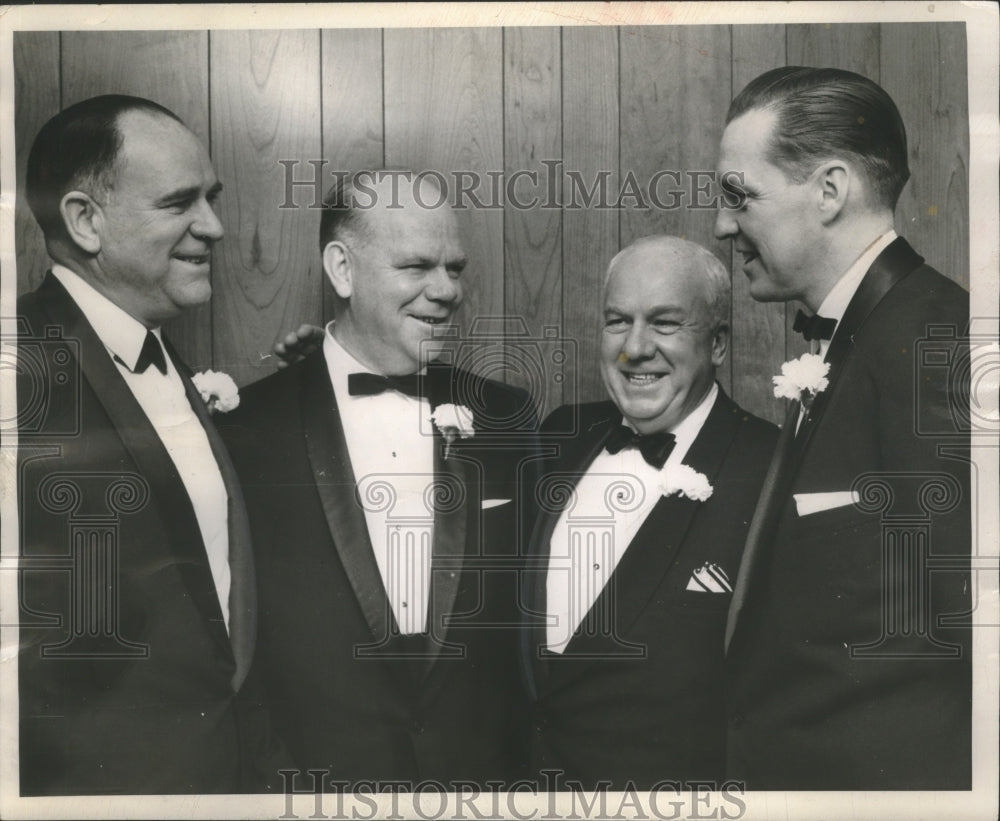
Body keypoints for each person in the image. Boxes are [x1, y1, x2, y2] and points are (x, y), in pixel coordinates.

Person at [218, 171, 539, 790]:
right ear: (342, 269)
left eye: (455, 267)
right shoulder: (245, 431)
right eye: (417, 266)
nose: (446, 290)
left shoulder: (508, 417)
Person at [714, 66, 971, 789]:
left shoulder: (935, 344)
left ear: (829, 191)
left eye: (740, 195)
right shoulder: (864, 335)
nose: (721, 223)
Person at [16, 95, 278, 794]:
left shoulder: (173, 367)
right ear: (84, 220)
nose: (215, 227)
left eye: (213, 198)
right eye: (179, 203)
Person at [520, 236, 778, 790]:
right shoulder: (558, 436)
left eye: (664, 323)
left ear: (718, 344)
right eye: (618, 321)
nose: (635, 348)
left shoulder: (773, 471)